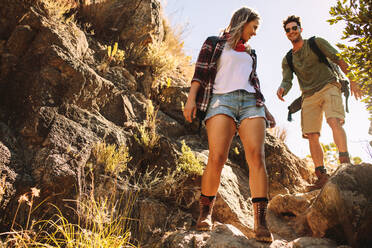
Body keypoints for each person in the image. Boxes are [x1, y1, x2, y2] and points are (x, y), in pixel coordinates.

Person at [183, 7, 275, 242]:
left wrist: (265, 109)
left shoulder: (252, 53)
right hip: (220, 100)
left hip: (250, 103)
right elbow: (200, 73)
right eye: (253, 27)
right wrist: (191, 99)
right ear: (243, 22)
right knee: (217, 157)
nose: (255, 33)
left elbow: (254, 82)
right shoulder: (214, 43)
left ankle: (261, 222)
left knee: (257, 156)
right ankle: (206, 213)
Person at [276, 15, 363, 191]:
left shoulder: (316, 43)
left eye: (294, 28)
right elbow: (287, 80)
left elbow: (338, 57)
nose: (292, 31)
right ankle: (321, 175)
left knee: (334, 121)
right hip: (308, 96)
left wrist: (352, 79)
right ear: (286, 34)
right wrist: (282, 88)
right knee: (311, 134)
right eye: (288, 30)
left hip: (329, 86)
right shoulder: (288, 59)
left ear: (301, 29)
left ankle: (345, 163)